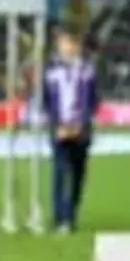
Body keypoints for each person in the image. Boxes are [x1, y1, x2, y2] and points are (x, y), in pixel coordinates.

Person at [42, 25, 100, 234]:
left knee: (77, 174)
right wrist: (57, 124)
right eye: (64, 43)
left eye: (71, 43)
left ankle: (71, 215)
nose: (68, 47)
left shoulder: (87, 71)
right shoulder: (52, 72)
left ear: (78, 46)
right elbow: (47, 101)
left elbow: (93, 101)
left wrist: (81, 124)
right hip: (59, 129)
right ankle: (60, 219)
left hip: (81, 129)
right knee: (59, 172)